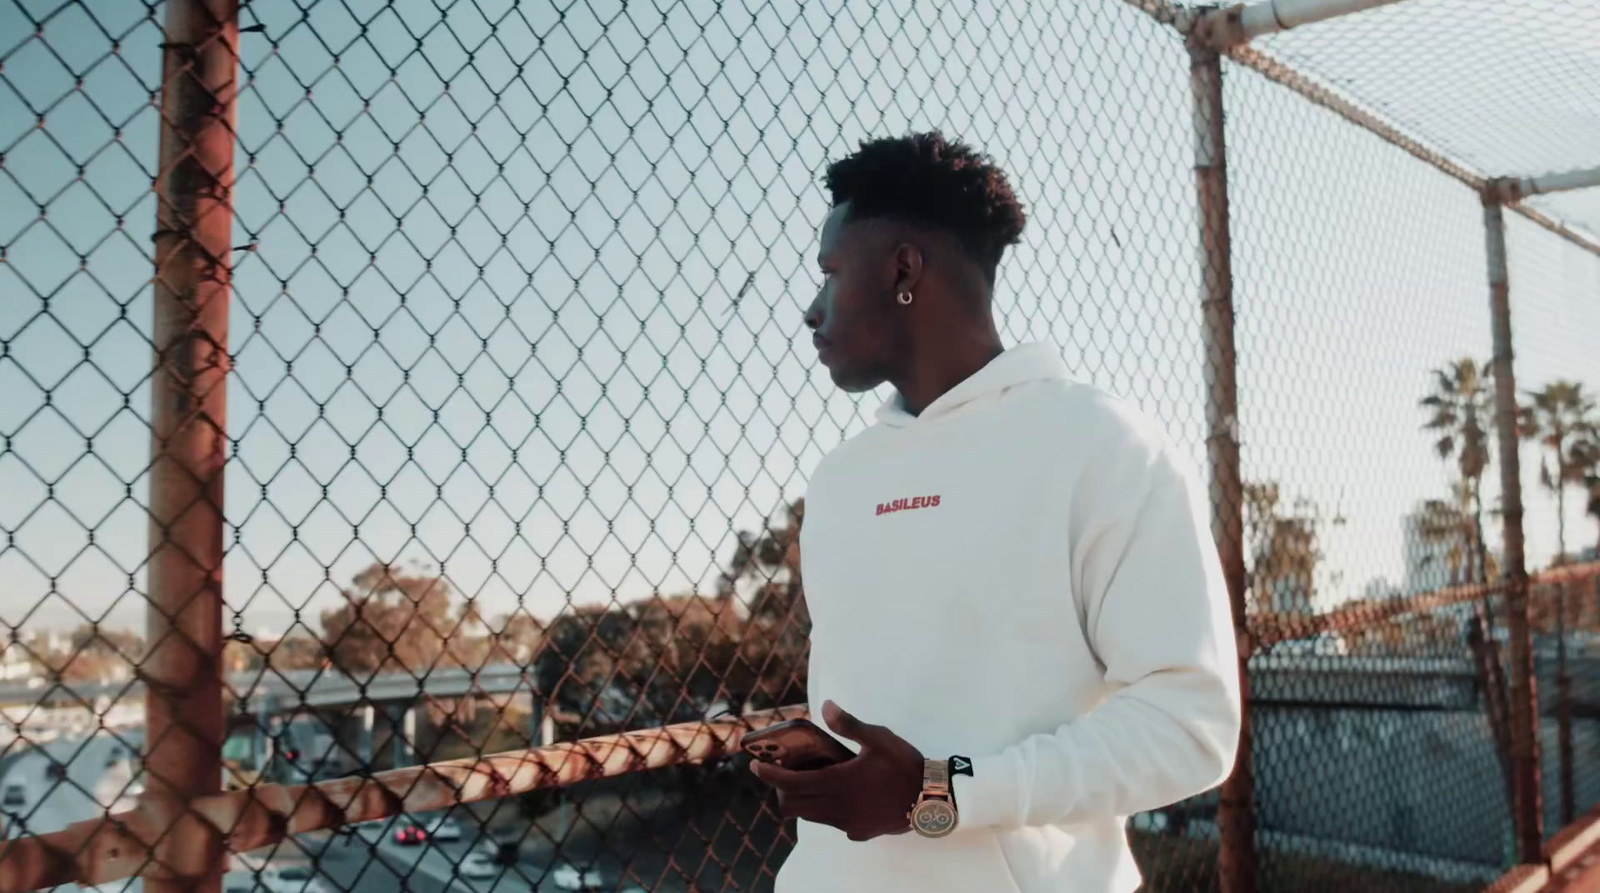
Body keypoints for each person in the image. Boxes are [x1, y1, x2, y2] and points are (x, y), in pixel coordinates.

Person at [748, 131, 1242, 892]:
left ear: (903, 269)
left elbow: (1189, 723)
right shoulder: (841, 478)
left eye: (831, 274)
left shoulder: (1103, 445)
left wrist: (939, 794)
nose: (813, 310)